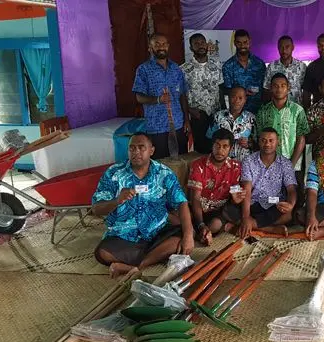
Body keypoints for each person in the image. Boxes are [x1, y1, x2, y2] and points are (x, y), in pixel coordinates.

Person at [91, 133, 193, 278]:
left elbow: (181, 202)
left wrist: (188, 236)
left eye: (141, 148)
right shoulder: (113, 173)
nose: (136, 152)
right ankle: (150, 258)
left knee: (181, 239)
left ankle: (136, 267)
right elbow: (96, 208)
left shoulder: (164, 173)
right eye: (132, 148)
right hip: (124, 236)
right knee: (102, 252)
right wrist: (117, 201)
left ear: (151, 150)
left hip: (157, 232)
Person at [223, 128, 298, 238]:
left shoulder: (285, 163)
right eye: (263, 140)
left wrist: (290, 205)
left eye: (271, 140)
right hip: (253, 203)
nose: (267, 144)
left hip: (274, 204)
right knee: (227, 210)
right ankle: (270, 229)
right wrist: (246, 217)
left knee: (288, 215)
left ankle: (249, 225)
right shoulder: (249, 160)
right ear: (258, 142)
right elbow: (247, 189)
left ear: (278, 142)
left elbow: (291, 189)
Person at [132, 33, 190, 159]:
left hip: (178, 124)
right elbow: (139, 97)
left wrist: (186, 120)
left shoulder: (176, 69)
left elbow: (182, 95)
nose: (161, 47)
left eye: (164, 44)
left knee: (181, 162)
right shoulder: (143, 69)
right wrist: (158, 99)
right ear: (150, 48)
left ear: (168, 46)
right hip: (156, 127)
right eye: (157, 44)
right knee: (160, 165)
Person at [188, 129, 244, 245]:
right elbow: (195, 199)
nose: (220, 150)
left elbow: (235, 196)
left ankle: (207, 232)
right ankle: (203, 231)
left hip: (219, 211)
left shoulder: (236, 167)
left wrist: (236, 200)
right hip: (198, 209)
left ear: (230, 148)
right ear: (212, 145)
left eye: (225, 146)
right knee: (184, 220)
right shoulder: (198, 165)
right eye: (217, 145)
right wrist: (201, 224)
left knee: (216, 224)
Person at [256, 73, 309, 174]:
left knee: (293, 189)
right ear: (270, 88)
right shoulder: (263, 111)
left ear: (288, 88)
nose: (279, 89)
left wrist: (290, 165)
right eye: (275, 86)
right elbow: (259, 138)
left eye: (283, 86)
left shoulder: (297, 110)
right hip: (268, 165)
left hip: (293, 164)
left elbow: (301, 138)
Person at [181, 33, 222, 154]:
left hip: (216, 114)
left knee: (216, 148)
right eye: (196, 44)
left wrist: (223, 112)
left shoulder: (217, 65)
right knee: (200, 150)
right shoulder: (183, 69)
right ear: (191, 48)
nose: (200, 46)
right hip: (197, 116)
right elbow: (181, 95)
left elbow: (220, 89)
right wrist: (188, 110)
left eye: (202, 43)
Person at [222, 29, 266, 113]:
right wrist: (242, 92)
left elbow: (264, 88)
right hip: (238, 112)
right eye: (239, 43)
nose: (242, 46)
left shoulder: (259, 64)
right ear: (235, 43)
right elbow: (228, 91)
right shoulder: (228, 66)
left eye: (245, 42)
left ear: (250, 42)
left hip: (258, 111)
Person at [206, 86, 255, 161]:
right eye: (233, 97)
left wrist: (248, 144)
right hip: (222, 163)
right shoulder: (218, 116)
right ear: (228, 98)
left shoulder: (251, 118)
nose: (236, 101)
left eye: (240, 98)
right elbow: (209, 139)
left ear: (245, 100)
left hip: (244, 162)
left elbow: (257, 142)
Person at [263, 35, 307, 104]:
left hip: (296, 110)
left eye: (287, 47)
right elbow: (266, 89)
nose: (284, 50)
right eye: (281, 47)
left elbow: (306, 90)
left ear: (292, 47)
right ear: (278, 48)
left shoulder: (302, 67)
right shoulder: (271, 67)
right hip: (277, 110)